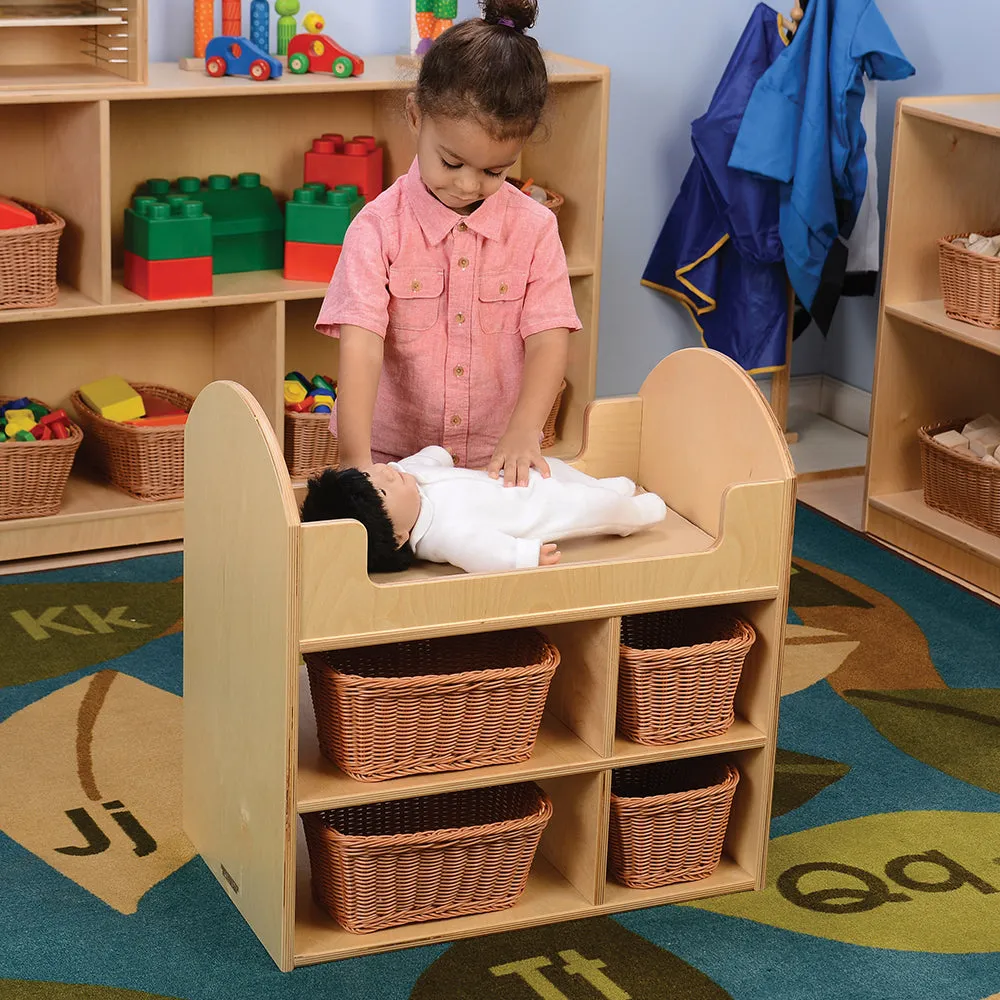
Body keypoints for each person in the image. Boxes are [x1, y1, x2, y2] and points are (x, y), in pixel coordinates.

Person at [315, 0, 580, 488]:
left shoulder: (537, 229)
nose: (467, 185)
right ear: (416, 116)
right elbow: (362, 348)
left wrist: (525, 432)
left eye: (494, 172)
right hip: (393, 463)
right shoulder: (377, 228)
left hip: (496, 461)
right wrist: (355, 460)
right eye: (452, 163)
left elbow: (547, 339)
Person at [300, 446, 668, 575]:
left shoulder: (406, 478)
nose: (386, 472)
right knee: (593, 508)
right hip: (540, 509)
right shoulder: (444, 535)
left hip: (518, 477)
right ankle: (638, 515)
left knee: (561, 470)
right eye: (381, 488)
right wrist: (522, 555)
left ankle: (607, 485)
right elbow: (482, 552)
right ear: (398, 537)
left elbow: (424, 461)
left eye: (369, 473)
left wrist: (436, 455)